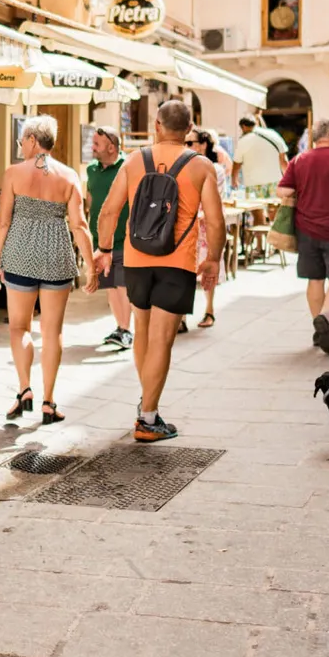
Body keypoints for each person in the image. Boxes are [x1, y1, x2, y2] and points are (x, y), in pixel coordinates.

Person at [93, 99, 225, 442]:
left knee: (143, 330)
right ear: (190, 128)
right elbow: (215, 221)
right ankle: (148, 417)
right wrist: (212, 258)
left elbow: (108, 211)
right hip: (176, 261)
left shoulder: (135, 160)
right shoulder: (200, 166)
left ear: (157, 124)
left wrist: (104, 249)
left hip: (137, 259)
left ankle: (146, 404)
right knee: (162, 340)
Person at [0, 115, 93, 426]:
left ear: (34, 140)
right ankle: (49, 401)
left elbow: (2, 222)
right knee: (53, 331)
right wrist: (90, 265)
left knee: (19, 327)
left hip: (20, 254)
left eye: (23, 140)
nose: (21, 146)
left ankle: (25, 390)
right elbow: (78, 224)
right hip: (56, 255)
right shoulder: (69, 175)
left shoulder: (13, 173)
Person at [279, 119, 329, 354]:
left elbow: (283, 190)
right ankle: (325, 317)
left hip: (306, 229)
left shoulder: (300, 160)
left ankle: (317, 327)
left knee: (315, 280)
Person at [83, 126, 133, 352]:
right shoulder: (92, 170)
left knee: (123, 285)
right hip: (100, 240)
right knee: (111, 285)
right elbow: (90, 200)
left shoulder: (128, 167)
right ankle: (121, 328)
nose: (92, 148)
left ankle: (125, 329)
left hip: (124, 239)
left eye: (96, 144)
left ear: (111, 147)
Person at [185, 128, 232, 329]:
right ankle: (182, 317)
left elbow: (215, 200)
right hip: (188, 226)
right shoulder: (184, 166)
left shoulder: (215, 169)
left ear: (203, 144)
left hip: (206, 226)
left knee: (208, 269)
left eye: (190, 143)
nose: (186, 147)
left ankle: (209, 310)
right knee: (184, 270)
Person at [232, 116, 288, 195]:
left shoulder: (243, 141)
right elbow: (284, 161)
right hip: (275, 184)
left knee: (256, 207)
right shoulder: (273, 134)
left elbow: (237, 164)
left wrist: (234, 180)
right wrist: (288, 180)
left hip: (254, 186)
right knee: (275, 207)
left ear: (243, 127)